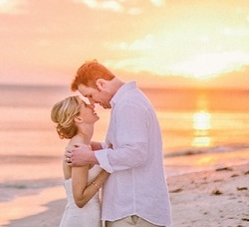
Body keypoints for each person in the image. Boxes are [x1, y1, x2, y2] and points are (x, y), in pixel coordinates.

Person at [65, 60, 172, 227]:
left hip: (133, 211)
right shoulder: (128, 101)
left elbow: (135, 154)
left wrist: (90, 157)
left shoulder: (128, 104)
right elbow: (125, 147)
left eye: (90, 96)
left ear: (101, 84)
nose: (92, 103)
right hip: (131, 209)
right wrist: (99, 147)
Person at [51, 95, 109, 227]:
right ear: (78, 118)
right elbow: (80, 199)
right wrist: (107, 170)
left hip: (88, 218)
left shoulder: (85, 144)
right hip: (80, 220)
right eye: (85, 105)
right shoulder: (78, 146)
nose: (92, 105)